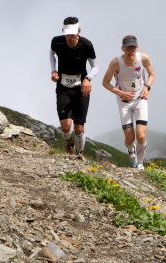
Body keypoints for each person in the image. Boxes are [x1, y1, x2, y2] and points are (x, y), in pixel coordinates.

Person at [102, 35, 155, 169]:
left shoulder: (144, 58)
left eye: (133, 48)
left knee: (141, 135)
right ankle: (131, 150)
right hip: (124, 103)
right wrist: (121, 93)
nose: (131, 51)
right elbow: (105, 82)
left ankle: (140, 163)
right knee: (130, 138)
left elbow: (152, 74)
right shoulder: (115, 63)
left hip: (140, 101)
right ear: (122, 49)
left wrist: (147, 87)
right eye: (128, 48)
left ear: (137, 48)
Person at [50, 17, 98, 157]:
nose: (70, 38)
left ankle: (79, 153)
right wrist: (53, 70)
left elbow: (95, 66)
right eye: (67, 34)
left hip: (81, 88)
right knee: (65, 126)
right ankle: (69, 143)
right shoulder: (57, 42)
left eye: (73, 34)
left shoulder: (86, 44)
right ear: (63, 31)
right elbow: (51, 53)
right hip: (63, 87)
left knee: (78, 127)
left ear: (79, 31)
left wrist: (88, 79)